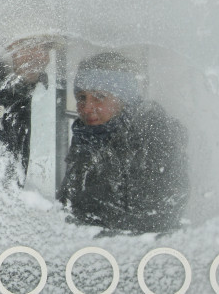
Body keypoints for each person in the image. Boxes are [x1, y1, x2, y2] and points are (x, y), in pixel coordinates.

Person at [59, 52, 189, 234]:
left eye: (99, 96)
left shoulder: (151, 139)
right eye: (81, 97)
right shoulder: (87, 137)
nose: (86, 107)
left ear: (125, 98)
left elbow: (156, 216)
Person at [0, 36, 55, 184]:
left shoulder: (43, 92)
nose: (41, 56)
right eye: (31, 46)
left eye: (46, 48)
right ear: (11, 48)